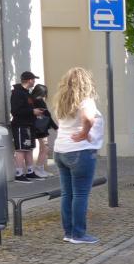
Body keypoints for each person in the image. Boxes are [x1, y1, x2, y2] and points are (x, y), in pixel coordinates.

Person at [52, 67, 104, 244]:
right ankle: (79, 234)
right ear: (85, 82)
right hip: (80, 151)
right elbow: (88, 118)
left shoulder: (62, 101)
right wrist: (84, 132)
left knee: (67, 194)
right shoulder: (86, 100)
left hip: (60, 151)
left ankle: (68, 232)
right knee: (80, 194)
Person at [10, 71, 44, 183]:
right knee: (21, 150)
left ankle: (30, 172)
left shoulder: (27, 93)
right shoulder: (17, 93)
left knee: (29, 149)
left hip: (29, 125)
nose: (34, 82)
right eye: (33, 79)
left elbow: (27, 108)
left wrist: (36, 112)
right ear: (29, 80)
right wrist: (32, 111)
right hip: (20, 125)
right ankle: (19, 174)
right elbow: (15, 111)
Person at [29, 84, 58, 178]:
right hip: (41, 128)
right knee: (45, 148)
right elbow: (47, 115)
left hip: (35, 126)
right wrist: (56, 127)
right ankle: (39, 169)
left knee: (43, 148)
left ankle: (40, 169)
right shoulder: (39, 101)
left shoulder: (30, 99)